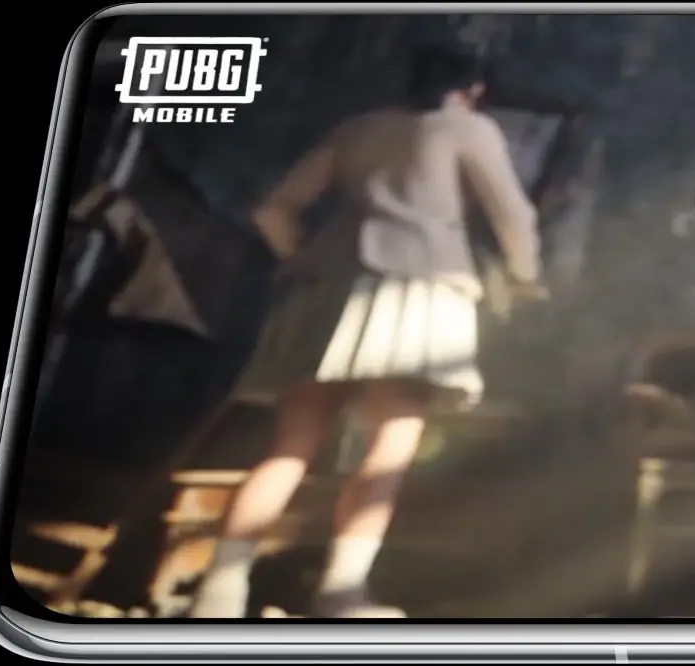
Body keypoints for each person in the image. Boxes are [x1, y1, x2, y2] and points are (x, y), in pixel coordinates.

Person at [188, 45, 543, 618]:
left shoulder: (358, 127)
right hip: (419, 290)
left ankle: (218, 594)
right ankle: (340, 594)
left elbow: (273, 209)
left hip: (326, 291)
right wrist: (525, 279)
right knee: (388, 452)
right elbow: (513, 214)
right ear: (474, 90)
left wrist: (303, 260)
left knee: (288, 449)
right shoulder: (469, 128)